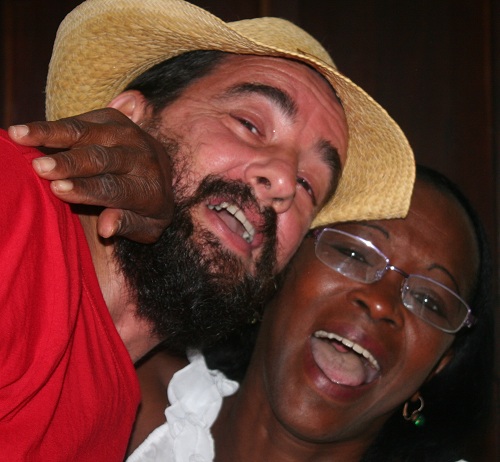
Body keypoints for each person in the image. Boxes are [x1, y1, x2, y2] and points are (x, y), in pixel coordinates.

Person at [1, 0, 416, 460]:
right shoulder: (15, 201)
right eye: (249, 124)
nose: (282, 182)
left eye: (307, 185)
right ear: (130, 119)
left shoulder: (113, 415)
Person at [127, 165, 495, 461]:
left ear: (438, 364)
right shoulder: (130, 392)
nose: (382, 303)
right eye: (354, 254)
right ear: (280, 268)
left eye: (429, 301)